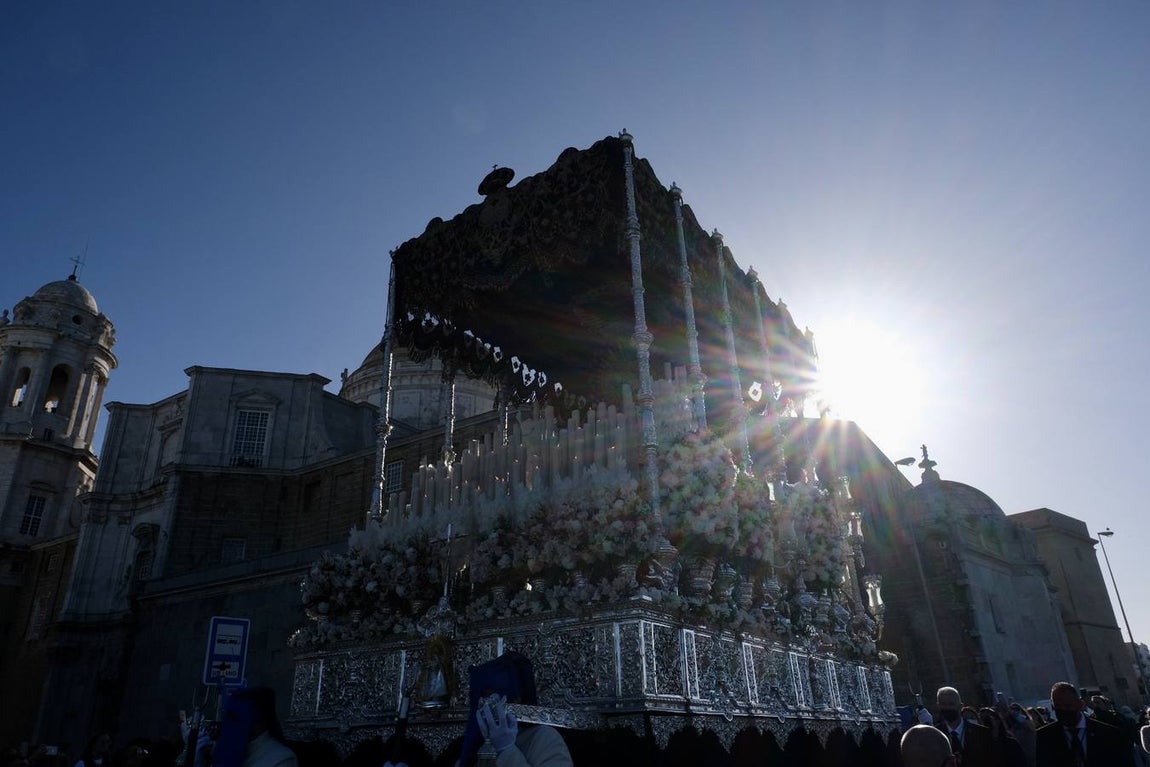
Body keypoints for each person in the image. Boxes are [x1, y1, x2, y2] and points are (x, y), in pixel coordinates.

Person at [456, 651, 572, 767]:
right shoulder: (474, 742)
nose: (486, 706)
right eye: (482, 698)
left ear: (517, 699)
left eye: (493, 698)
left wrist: (506, 749)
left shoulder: (545, 738)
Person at [1035, 681, 1134, 767]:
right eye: (1058, 706)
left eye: (1067, 705)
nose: (1063, 710)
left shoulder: (1109, 733)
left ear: (1080, 704)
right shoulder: (1043, 737)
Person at [199, 687, 298, 767]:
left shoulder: (281, 758)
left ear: (258, 722)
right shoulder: (226, 750)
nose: (229, 724)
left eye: (236, 718)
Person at [934, 686, 1000, 766]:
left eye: (951, 704)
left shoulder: (982, 733)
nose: (947, 708)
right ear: (938, 706)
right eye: (943, 704)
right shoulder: (934, 735)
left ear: (960, 707)